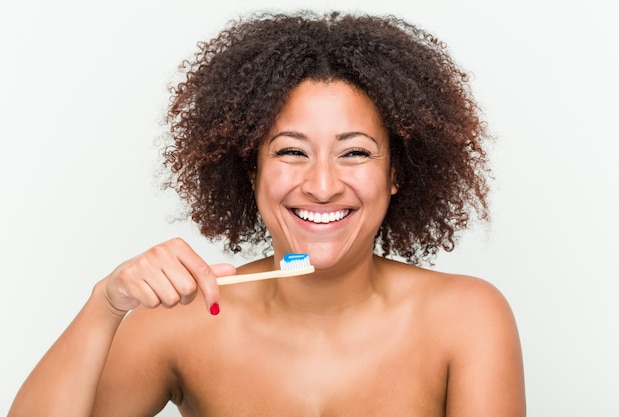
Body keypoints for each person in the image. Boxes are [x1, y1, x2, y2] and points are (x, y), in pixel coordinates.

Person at [8, 10, 525, 417]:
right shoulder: (180, 324)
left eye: (355, 152)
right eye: (291, 151)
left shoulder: (467, 318)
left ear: (397, 174)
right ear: (252, 172)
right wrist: (105, 304)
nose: (322, 185)